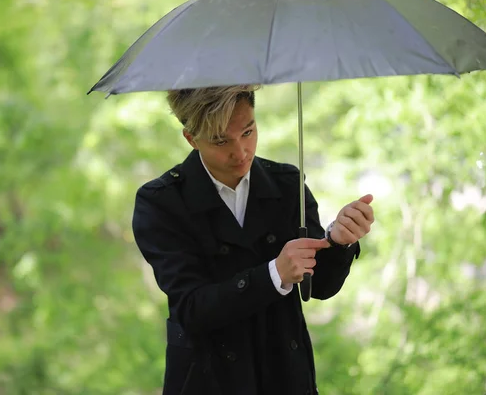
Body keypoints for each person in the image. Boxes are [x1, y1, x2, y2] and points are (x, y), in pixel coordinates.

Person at [132, 85, 374, 395]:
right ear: (192, 139)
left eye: (248, 132)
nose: (241, 151)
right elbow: (191, 309)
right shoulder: (162, 202)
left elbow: (319, 287)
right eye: (221, 141)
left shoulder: (287, 184)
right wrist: (273, 274)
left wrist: (339, 241)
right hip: (209, 378)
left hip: (285, 375)